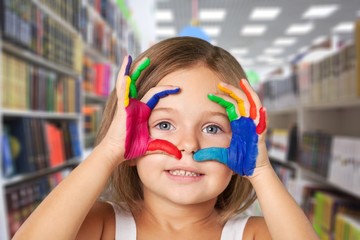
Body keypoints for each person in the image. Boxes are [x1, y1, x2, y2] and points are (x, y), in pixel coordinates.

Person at [13, 37, 319, 240]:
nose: (188, 144)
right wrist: (108, 150)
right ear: (129, 139)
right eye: (164, 124)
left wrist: (262, 171)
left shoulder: (251, 234)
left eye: (212, 128)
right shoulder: (104, 225)